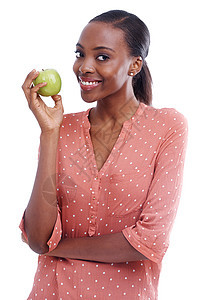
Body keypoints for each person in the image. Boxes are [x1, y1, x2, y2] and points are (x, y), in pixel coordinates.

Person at [20, 10, 188, 300]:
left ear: (135, 64)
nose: (84, 67)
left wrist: (57, 247)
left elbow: (150, 241)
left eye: (101, 57)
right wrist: (49, 133)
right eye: (79, 53)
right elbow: (38, 237)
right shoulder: (62, 127)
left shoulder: (166, 127)